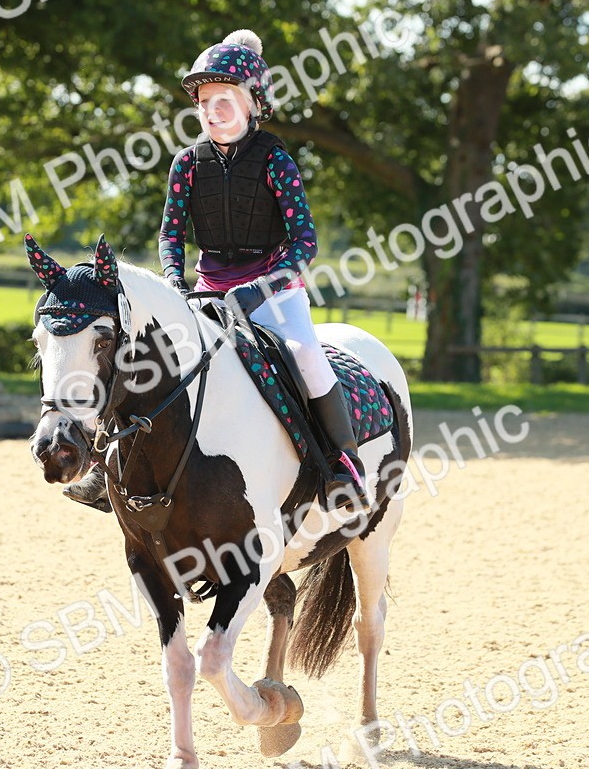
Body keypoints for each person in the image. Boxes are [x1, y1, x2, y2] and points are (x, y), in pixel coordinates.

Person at [64, 29, 367, 512]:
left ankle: (342, 466)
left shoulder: (276, 161)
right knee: (145, 365)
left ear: (252, 104)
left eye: (224, 98)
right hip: (207, 290)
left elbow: (305, 242)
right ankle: (106, 468)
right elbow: (170, 234)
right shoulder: (186, 164)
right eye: (204, 100)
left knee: (304, 354)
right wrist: (173, 280)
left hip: (273, 289)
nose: (212, 109)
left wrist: (258, 291)